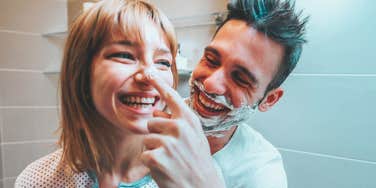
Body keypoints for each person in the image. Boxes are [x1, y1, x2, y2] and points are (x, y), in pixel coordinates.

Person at [15, 0, 223, 187]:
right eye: (125, 55)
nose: (149, 75)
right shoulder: (37, 180)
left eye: (162, 62)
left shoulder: (196, 178)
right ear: (81, 73)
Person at [141, 0, 309, 187]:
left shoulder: (261, 173)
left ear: (269, 99)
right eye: (211, 60)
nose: (211, 83)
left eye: (240, 79)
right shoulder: (151, 117)